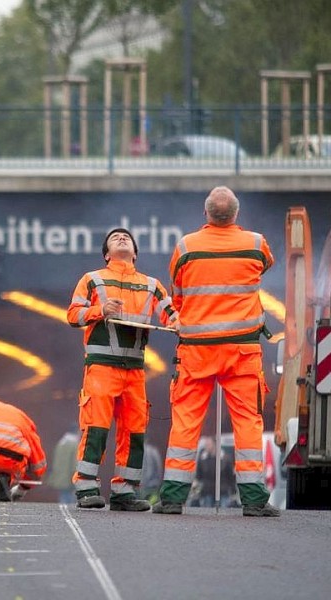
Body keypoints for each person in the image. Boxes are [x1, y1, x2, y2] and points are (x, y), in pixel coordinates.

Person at [153, 186, 280, 517]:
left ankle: (172, 498)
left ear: (205, 213)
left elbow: (177, 295)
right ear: (236, 214)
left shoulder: (186, 247)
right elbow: (265, 265)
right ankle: (253, 501)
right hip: (242, 351)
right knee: (248, 423)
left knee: (185, 423)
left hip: (196, 352)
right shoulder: (255, 244)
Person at [67, 228, 179, 511]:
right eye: (114, 237)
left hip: (134, 370)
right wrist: (100, 310)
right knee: (96, 428)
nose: (121, 238)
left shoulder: (152, 285)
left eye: (126, 237)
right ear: (106, 254)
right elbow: (73, 315)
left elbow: (172, 315)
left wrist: (179, 322)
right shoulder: (92, 280)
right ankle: (86, 487)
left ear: (136, 253)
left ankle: (124, 491)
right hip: (102, 367)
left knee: (134, 431)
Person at [193, 437, 236, 507]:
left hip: (223, 491)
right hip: (207, 491)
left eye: (208, 444)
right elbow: (198, 475)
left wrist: (233, 491)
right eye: (206, 445)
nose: (206, 447)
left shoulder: (225, 458)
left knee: (224, 513)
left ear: (215, 445)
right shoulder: (203, 458)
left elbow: (230, 476)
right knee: (207, 514)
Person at [46, 424, 79, 504]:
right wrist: (76, 476)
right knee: (71, 500)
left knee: (63, 498)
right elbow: (75, 463)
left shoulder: (62, 442)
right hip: (70, 476)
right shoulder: (74, 444)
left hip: (60, 475)